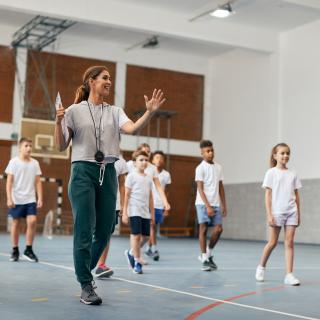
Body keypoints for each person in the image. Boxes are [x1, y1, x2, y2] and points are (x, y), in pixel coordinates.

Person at [54, 65, 166, 305]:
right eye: (105, 78)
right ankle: (86, 283)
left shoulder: (115, 111)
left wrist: (149, 113)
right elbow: (61, 146)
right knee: (84, 228)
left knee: (104, 230)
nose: (108, 81)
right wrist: (58, 123)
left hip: (108, 172)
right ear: (91, 81)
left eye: (110, 78)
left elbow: (132, 127)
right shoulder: (74, 111)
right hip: (82, 171)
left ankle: (86, 270)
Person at [255, 143, 301, 286]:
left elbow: (297, 195)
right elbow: (268, 196)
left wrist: (298, 213)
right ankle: (261, 267)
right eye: (282, 153)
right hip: (277, 212)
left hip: (291, 212)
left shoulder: (293, 174)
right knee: (273, 242)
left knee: (289, 243)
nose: (285, 155)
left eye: (287, 153)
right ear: (275, 156)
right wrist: (269, 215)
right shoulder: (271, 173)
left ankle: (289, 274)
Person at [5, 137, 43, 263]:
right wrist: (9, 198)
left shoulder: (35, 163)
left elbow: (38, 182)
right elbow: (9, 182)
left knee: (32, 221)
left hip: (30, 199)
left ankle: (28, 250)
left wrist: (40, 198)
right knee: (15, 224)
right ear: (20, 148)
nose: (29, 148)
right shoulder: (13, 162)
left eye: (30, 146)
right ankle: (15, 250)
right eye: (26, 146)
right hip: (16, 199)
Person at [195, 140, 227, 271]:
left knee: (219, 229)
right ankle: (204, 258)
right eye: (207, 151)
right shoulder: (200, 168)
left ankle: (208, 253)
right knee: (203, 230)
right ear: (202, 153)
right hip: (202, 204)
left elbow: (221, 187)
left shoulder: (218, 167)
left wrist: (224, 204)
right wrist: (207, 206)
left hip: (216, 204)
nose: (210, 153)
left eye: (212, 150)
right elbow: (200, 189)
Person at [95, 154, 128, 278]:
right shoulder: (95, 156)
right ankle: (91, 263)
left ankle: (101, 265)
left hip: (114, 204)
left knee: (106, 234)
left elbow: (123, 185)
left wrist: (122, 205)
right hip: (97, 202)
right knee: (96, 233)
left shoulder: (121, 162)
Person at [122, 150, 154, 274]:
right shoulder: (131, 176)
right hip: (134, 210)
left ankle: (131, 252)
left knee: (146, 237)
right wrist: (125, 212)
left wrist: (152, 213)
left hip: (145, 212)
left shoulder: (149, 178)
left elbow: (151, 197)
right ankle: (137, 261)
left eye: (146, 160)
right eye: (141, 160)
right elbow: (126, 195)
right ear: (134, 162)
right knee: (136, 236)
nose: (144, 162)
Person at [145, 150, 171, 261]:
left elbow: (167, 192)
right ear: (152, 160)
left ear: (164, 161)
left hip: (160, 204)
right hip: (149, 203)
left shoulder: (166, 174)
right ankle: (154, 249)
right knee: (152, 226)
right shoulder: (149, 172)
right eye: (156, 158)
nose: (159, 160)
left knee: (153, 228)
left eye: (161, 158)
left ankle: (148, 248)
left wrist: (166, 206)